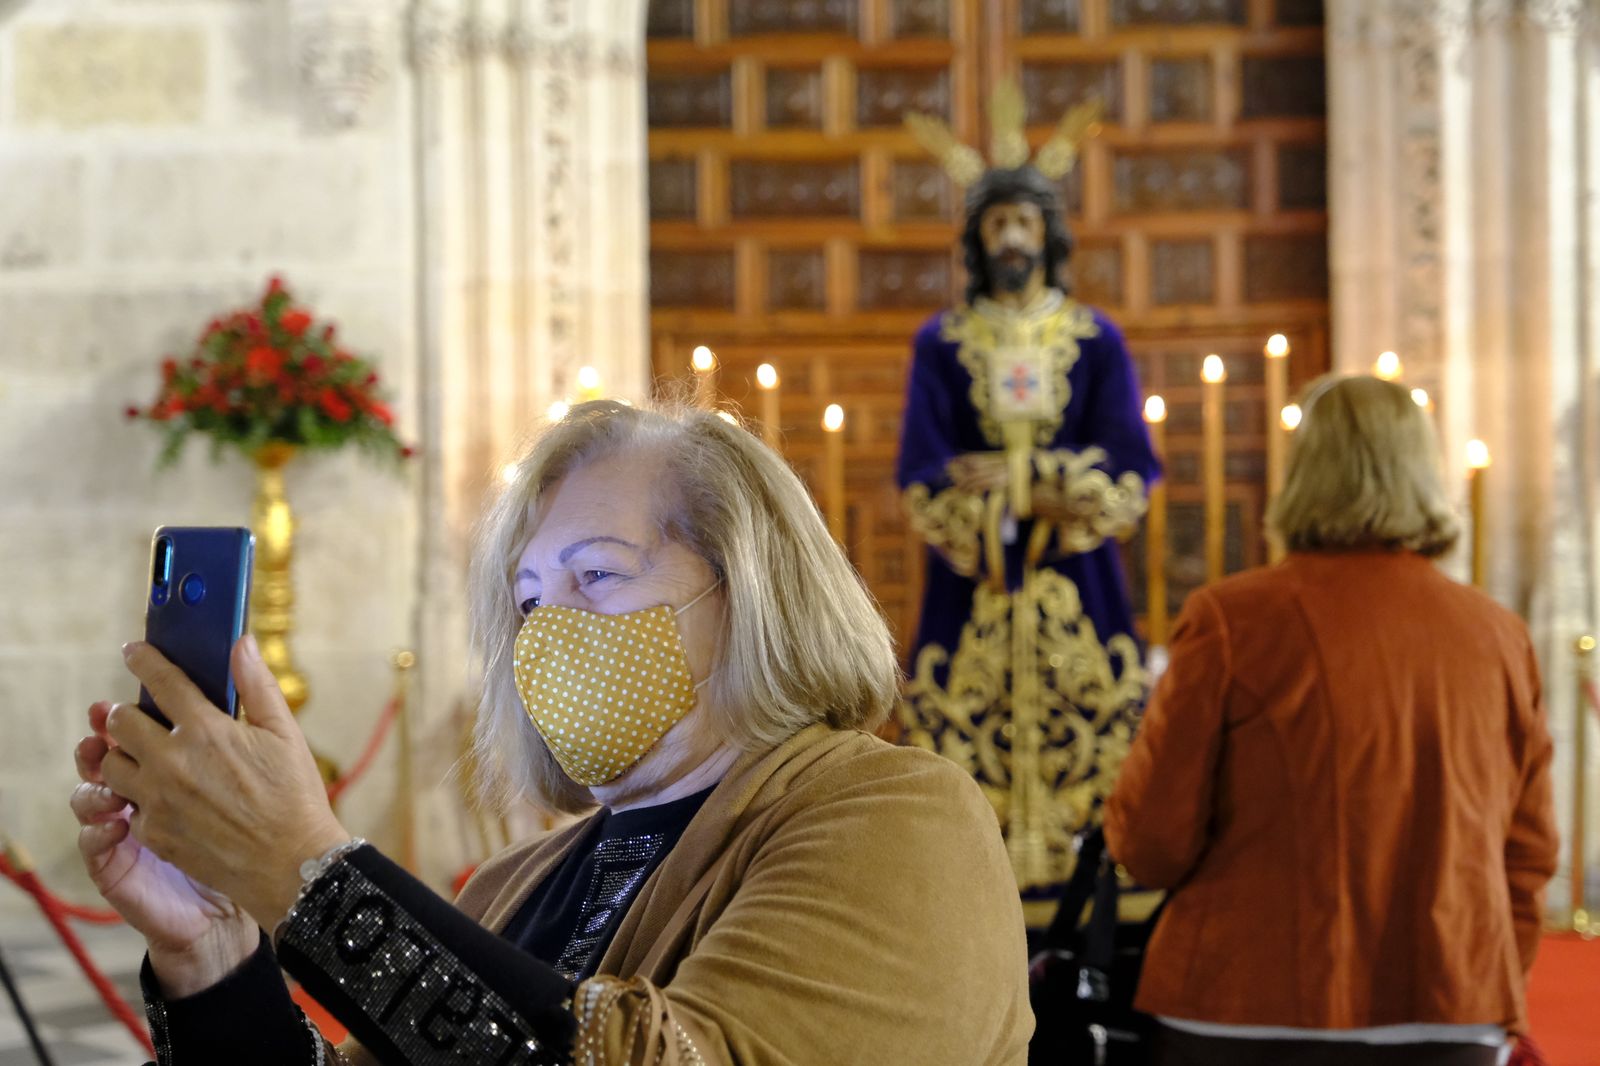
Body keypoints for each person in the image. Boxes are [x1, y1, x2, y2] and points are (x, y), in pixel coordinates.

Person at [69, 400, 1033, 1064]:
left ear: (749, 595)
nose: (549, 633)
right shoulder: (507, 885)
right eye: (528, 603)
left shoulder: (899, 818)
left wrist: (306, 868)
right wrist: (214, 956)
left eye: (598, 576)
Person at [1105, 375, 1559, 1066]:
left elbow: (1150, 841)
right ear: (1425, 473)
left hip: (1245, 1002)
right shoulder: (1498, 636)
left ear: (1303, 472)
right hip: (1448, 1006)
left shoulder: (1233, 621)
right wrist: (1478, 974)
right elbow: (1528, 855)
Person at [897, 92, 1160, 896]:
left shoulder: (1094, 338)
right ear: (977, 236)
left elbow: (1130, 462)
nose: (1011, 237)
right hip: (975, 583)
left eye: (1023, 222)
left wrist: (1026, 482)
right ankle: (965, 882)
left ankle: (1087, 876)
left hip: (1074, 584)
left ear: (1048, 231)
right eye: (996, 223)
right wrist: (995, 497)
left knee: (1104, 721)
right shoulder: (942, 343)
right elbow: (924, 469)